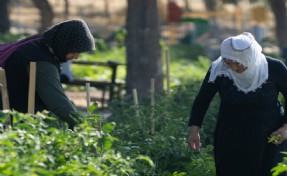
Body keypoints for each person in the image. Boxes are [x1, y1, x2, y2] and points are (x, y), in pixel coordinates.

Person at [187, 32, 287, 176]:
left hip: (270, 137)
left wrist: (285, 128)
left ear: (249, 58)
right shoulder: (219, 69)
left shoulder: (274, 68)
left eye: (237, 63)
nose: (233, 68)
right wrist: (194, 131)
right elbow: (202, 99)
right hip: (230, 137)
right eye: (228, 62)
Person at [2, 19, 95, 129]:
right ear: (64, 44)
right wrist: (84, 127)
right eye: (75, 51)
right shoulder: (41, 61)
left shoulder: (40, 44)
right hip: (13, 118)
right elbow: (57, 102)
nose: (76, 56)